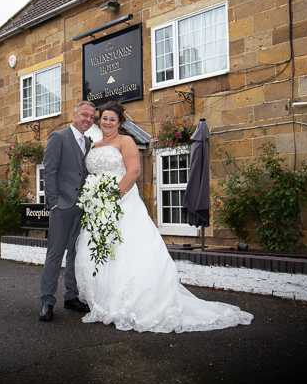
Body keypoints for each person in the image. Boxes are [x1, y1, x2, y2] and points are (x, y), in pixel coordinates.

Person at [75, 101, 253, 332]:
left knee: (126, 250)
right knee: (103, 251)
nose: (107, 122)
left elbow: (134, 172)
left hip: (121, 201)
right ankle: (105, 301)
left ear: (120, 123)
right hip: (97, 206)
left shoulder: (125, 141)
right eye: (104, 118)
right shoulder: (94, 144)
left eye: (112, 119)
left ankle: (132, 302)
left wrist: (112, 197)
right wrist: (96, 197)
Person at [38, 101, 96, 322]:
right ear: (74, 114)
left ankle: (71, 296)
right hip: (61, 207)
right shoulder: (58, 137)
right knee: (55, 254)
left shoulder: (89, 142)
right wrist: (53, 203)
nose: (88, 119)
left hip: (82, 207)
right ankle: (47, 301)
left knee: (75, 253)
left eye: (91, 117)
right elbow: (49, 171)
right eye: (84, 115)